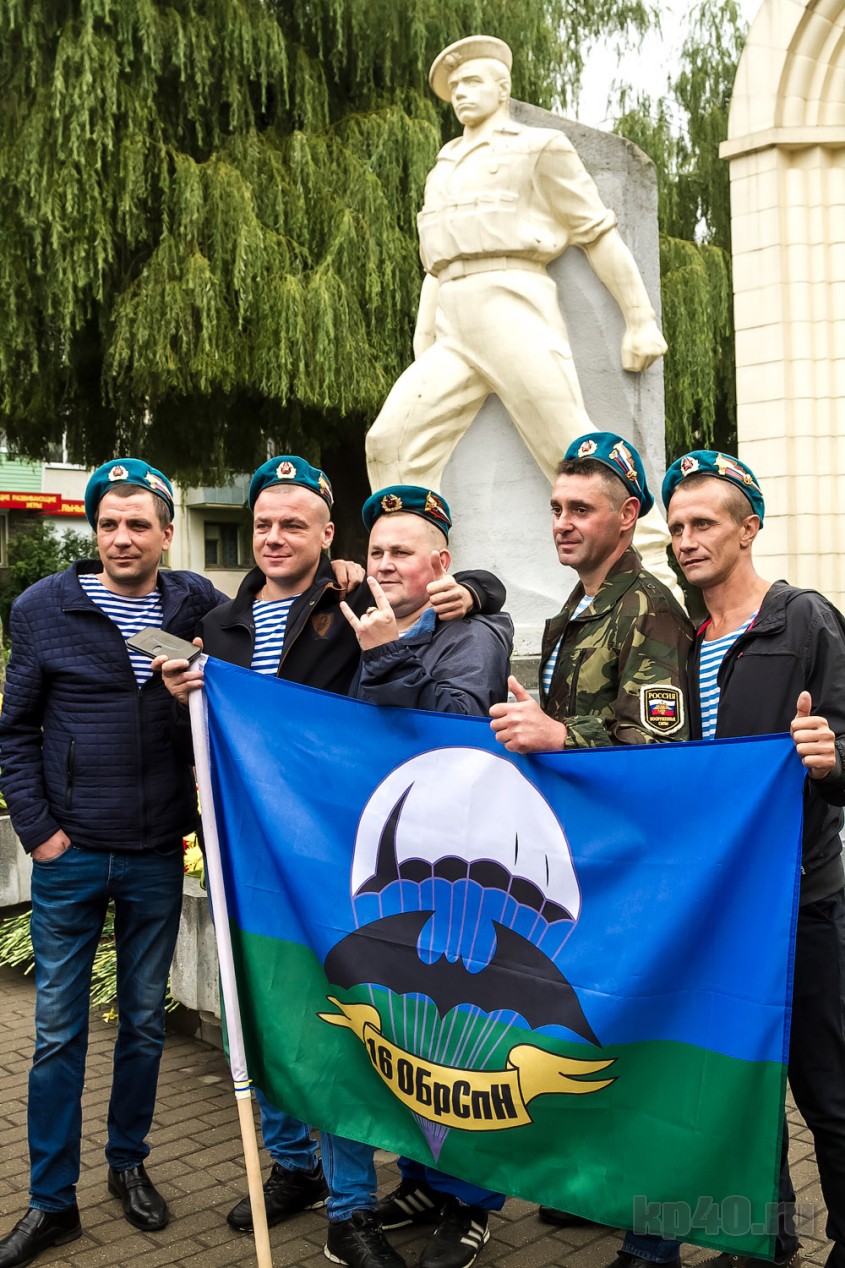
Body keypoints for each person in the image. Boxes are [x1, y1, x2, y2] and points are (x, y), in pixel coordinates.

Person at [159, 456, 506, 1268]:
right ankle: (303, 1169)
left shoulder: (350, 608)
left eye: (294, 524)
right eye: (262, 525)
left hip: (356, 856)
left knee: (370, 1024)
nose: (273, 537)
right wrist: (186, 701)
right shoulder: (217, 620)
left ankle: (389, 1202)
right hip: (253, 848)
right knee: (271, 1012)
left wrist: (471, 586)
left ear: (325, 538)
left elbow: (442, 664)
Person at [611, 451, 845, 1268]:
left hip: (799, 904)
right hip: (712, 910)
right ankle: (764, 1243)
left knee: (827, 1094)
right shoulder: (677, 638)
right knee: (740, 1091)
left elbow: (843, 736)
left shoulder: (801, 620)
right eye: (675, 526)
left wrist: (831, 757)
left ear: (748, 529)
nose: (685, 539)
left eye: (703, 523)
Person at [0, 459, 227, 1268]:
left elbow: (285, 617)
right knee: (57, 1034)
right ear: (94, 531)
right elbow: (15, 730)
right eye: (108, 524)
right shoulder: (43, 607)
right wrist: (40, 834)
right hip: (71, 856)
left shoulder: (199, 606)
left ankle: (127, 1164)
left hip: (156, 853)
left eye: (138, 524)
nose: (121, 538)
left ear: (167, 533)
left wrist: (347, 572)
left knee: (142, 1025)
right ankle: (50, 1202)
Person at [364, 35, 675, 588]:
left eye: (472, 82)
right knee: (391, 442)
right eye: (454, 88)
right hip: (452, 314)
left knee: (575, 450)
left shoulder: (539, 148)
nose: (461, 93)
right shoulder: (444, 165)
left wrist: (640, 320)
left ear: (502, 87)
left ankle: (652, 572)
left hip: (511, 302)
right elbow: (436, 264)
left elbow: (597, 234)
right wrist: (424, 341)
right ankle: (411, 581)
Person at [337, 484, 514, 1268]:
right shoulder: (374, 623)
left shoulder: (470, 631)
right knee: (407, 1030)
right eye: (375, 551)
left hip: (458, 872)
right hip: (395, 867)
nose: (383, 565)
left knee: (460, 1036)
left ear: (440, 565)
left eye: (400, 553)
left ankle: (470, 1203)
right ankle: (419, 1180)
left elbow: (450, 723)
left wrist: (385, 655)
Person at [489, 431, 692, 756]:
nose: (562, 524)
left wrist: (560, 736)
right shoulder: (577, 607)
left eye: (581, 510)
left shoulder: (651, 611)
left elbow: (660, 746)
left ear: (627, 514)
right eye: (557, 510)